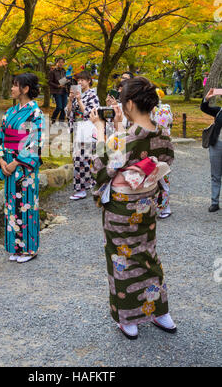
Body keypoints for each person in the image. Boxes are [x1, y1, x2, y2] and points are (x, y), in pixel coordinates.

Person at [90, 76, 176, 340]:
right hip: (147, 205)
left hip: (121, 209)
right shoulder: (162, 134)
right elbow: (166, 162)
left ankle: (129, 320)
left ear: (128, 103)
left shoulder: (123, 139)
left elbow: (100, 168)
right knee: (147, 254)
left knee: (122, 259)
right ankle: (160, 312)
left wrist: (100, 130)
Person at [0, 73, 45, 263]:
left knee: (26, 204)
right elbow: (1, 138)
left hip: (24, 167)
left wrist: (16, 162)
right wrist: (1, 160)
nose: (12, 88)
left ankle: (30, 249)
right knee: (11, 207)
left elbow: (34, 142)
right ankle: (15, 247)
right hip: (7, 162)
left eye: (15, 86)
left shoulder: (35, 113)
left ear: (25, 89)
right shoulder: (10, 112)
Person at [66, 71, 100, 200]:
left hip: (88, 128)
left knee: (82, 158)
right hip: (78, 128)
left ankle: (81, 188)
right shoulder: (75, 95)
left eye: (82, 80)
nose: (80, 82)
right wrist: (70, 100)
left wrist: (79, 100)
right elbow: (68, 112)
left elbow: (90, 113)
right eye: (78, 80)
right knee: (80, 158)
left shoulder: (93, 95)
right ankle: (88, 184)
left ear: (89, 81)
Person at [152, 89, 174, 219]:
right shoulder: (144, 109)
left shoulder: (164, 108)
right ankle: (151, 207)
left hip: (162, 147)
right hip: (149, 146)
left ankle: (165, 207)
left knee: (162, 177)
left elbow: (163, 123)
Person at [200, 88, 222, 212]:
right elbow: (204, 108)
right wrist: (207, 98)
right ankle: (215, 202)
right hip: (217, 145)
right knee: (215, 175)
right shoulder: (219, 111)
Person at [49, 58, 68, 123]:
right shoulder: (52, 71)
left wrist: (67, 81)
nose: (61, 63)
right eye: (59, 62)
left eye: (62, 62)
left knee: (64, 108)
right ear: (56, 63)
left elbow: (64, 80)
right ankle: (53, 119)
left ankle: (61, 121)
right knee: (59, 107)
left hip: (64, 91)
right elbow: (50, 82)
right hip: (57, 91)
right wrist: (58, 86)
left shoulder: (64, 71)